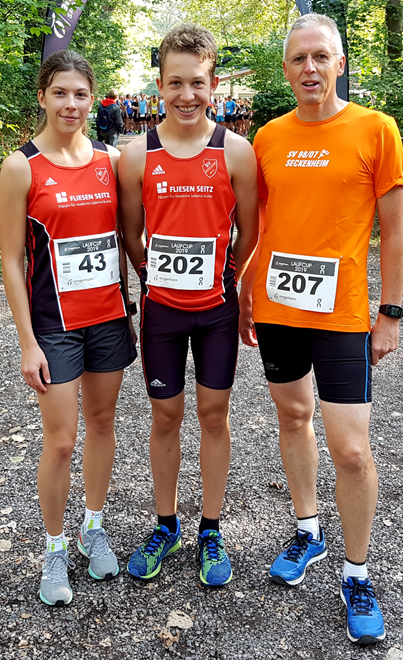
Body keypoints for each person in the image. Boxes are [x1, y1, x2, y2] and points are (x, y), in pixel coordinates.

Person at [239, 12, 403, 645]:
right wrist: (247, 293)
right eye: (297, 59)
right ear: (285, 70)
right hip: (279, 309)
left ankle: (357, 572)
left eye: (320, 57)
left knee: (353, 450)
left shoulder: (375, 128)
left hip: (342, 315)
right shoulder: (267, 137)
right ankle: (308, 530)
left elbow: (394, 230)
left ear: (339, 62)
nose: (309, 68)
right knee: (291, 419)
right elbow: (258, 227)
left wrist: (389, 312)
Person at [119, 23, 258, 586]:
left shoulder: (237, 152)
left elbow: (250, 231)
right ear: (159, 84)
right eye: (174, 83)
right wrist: (151, 275)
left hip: (218, 311)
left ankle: (211, 527)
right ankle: (166, 523)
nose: (185, 95)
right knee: (165, 415)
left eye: (196, 83)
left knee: (213, 415)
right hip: (163, 314)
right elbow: (131, 234)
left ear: (213, 83)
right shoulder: (135, 154)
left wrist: (230, 278)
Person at [0, 50, 137, 606]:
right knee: (60, 441)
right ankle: (54, 547)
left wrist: (141, 304)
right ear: (43, 97)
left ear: (92, 98)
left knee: (102, 424)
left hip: (107, 318)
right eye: (61, 93)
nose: (72, 104)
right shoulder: (22, 166)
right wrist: (27, 342)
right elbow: (11, 259)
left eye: (81, 94)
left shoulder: (112, 160)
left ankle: (93, 526)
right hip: (53, 326)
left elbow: (126, 239)